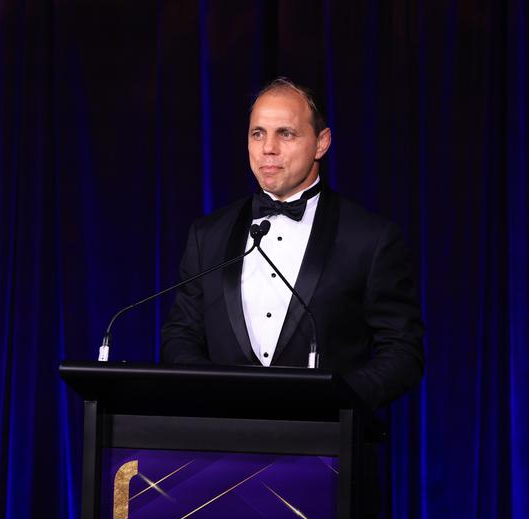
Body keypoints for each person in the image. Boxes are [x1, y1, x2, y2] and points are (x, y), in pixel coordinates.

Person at [161, 77, 424, 408]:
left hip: (327, 447)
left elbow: (403, 352)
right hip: (223, 443)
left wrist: (335, 401)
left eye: (285, 134)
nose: (268, 148)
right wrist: (217, 394)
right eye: (258, 134)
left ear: (321, 143)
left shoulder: (371, 239)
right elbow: (179, 335)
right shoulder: (207, 235)